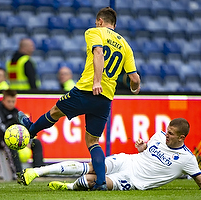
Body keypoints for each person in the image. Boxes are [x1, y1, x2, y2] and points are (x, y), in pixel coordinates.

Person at [17, 7, 141, 190]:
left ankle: (31, 130)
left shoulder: (94, 32)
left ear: (100, 21)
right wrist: (134, 88)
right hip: (105, 99)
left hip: (87, 90)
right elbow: (135, 78)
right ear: (114, 24)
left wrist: (96, 81)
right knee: (93, 142)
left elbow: (98, 53)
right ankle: (100, 183)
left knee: (55, 111)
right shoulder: (125, 45)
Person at [17, 118, 201, 191]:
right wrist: (142, 147)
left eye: (171, 135)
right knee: (89, 166)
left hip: (134, 180)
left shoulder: (188, 158)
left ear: (182, 138)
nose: (167, 136)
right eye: (167, 131)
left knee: (93, 182)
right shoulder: (158, 135)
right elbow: (146, 150)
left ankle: (69, 187)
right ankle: (36, 171)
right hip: (128, 159)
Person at [0, 89, 44, 179]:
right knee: (10, 145)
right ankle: (17, 173)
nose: (11, 104)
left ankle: (39, 171)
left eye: (13, 101)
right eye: (8, 101)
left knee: (36, 143)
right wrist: (10, 137)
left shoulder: (16, 112)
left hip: (16, 137)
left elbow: (24, 127)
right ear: (3, 100)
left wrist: (27, 140)